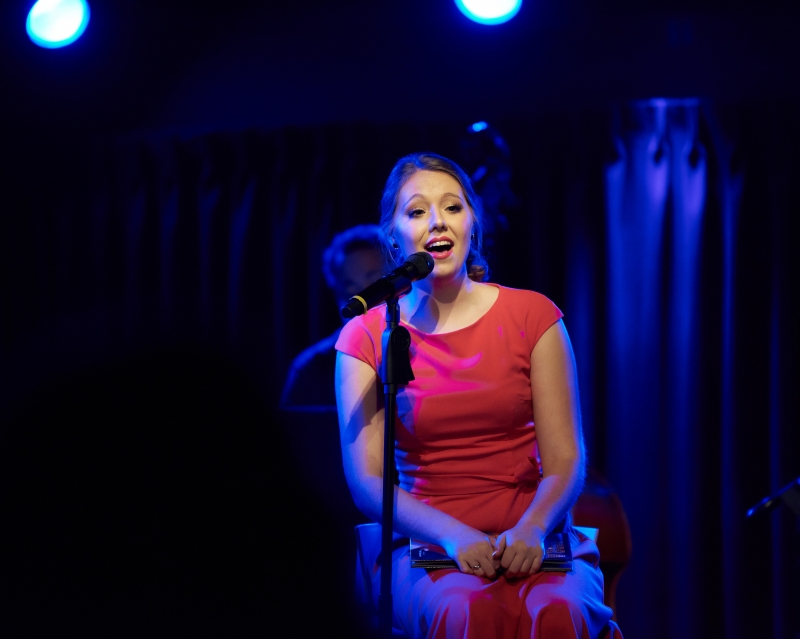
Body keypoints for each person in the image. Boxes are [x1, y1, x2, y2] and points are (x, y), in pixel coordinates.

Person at [334, 153, 621, 638]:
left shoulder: (534, 315)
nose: (437, 221)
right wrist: (453, 535)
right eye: (417, 210)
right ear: (393, 234)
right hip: (429, 543)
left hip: (534, 534)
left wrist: (532, 528)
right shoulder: (366, 335)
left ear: (473, 223)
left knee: (560, 612)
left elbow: (566, 459)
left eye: (452, 207)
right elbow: (367, 481)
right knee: (465, 610)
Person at [281, 224, 385, 412]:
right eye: (350, 287)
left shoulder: (423, 348)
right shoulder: (311, 368)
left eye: (373, 281)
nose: (363, 297)